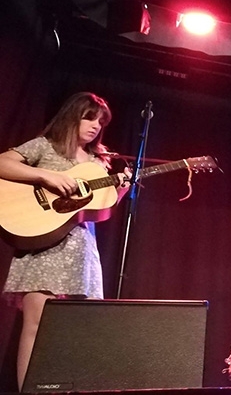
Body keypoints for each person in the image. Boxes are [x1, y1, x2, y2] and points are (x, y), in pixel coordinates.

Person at [0, 92, 131, 390]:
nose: (96, 126)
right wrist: (45, 177)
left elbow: (100, 208)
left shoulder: (100, 161)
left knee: (77, 331)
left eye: (101, 122)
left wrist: (121, 189)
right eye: (89, 117)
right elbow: (2, 163)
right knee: (35, 326)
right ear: (72, 115)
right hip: (41, 246)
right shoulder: (46, 147)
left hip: (80, 249)